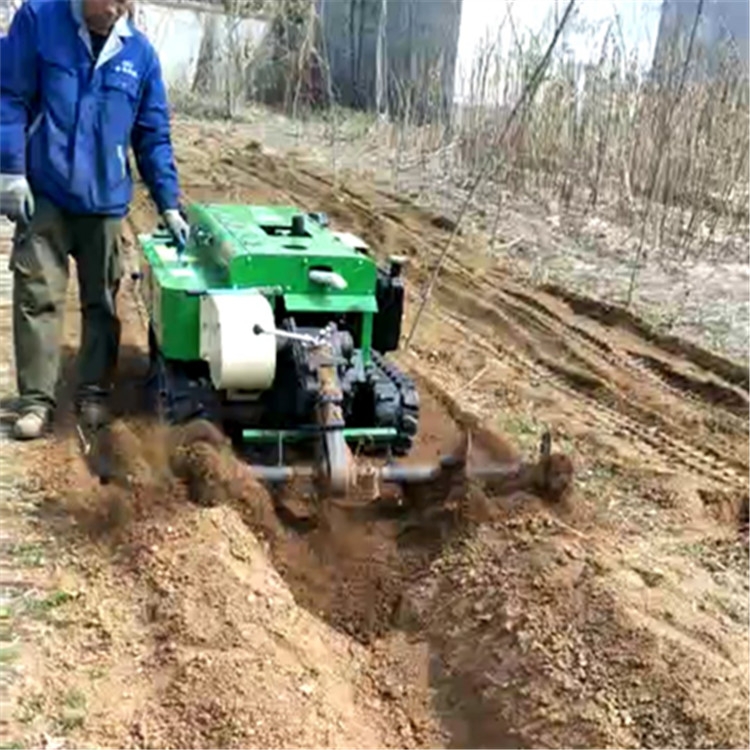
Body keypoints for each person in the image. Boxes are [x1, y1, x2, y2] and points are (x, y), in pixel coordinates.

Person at [0, 0, 189, 440]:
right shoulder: (39, 21)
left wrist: (169, 204)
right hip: (45, 192)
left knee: (102, 301)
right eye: (104, 1)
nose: (113, 10)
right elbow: (9, 95)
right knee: (37, 294)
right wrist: (11, 171)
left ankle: (93, 393)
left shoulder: (139, 54)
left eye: (121, 3)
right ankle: (36, 401)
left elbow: (152, 135)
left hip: (104, 201)